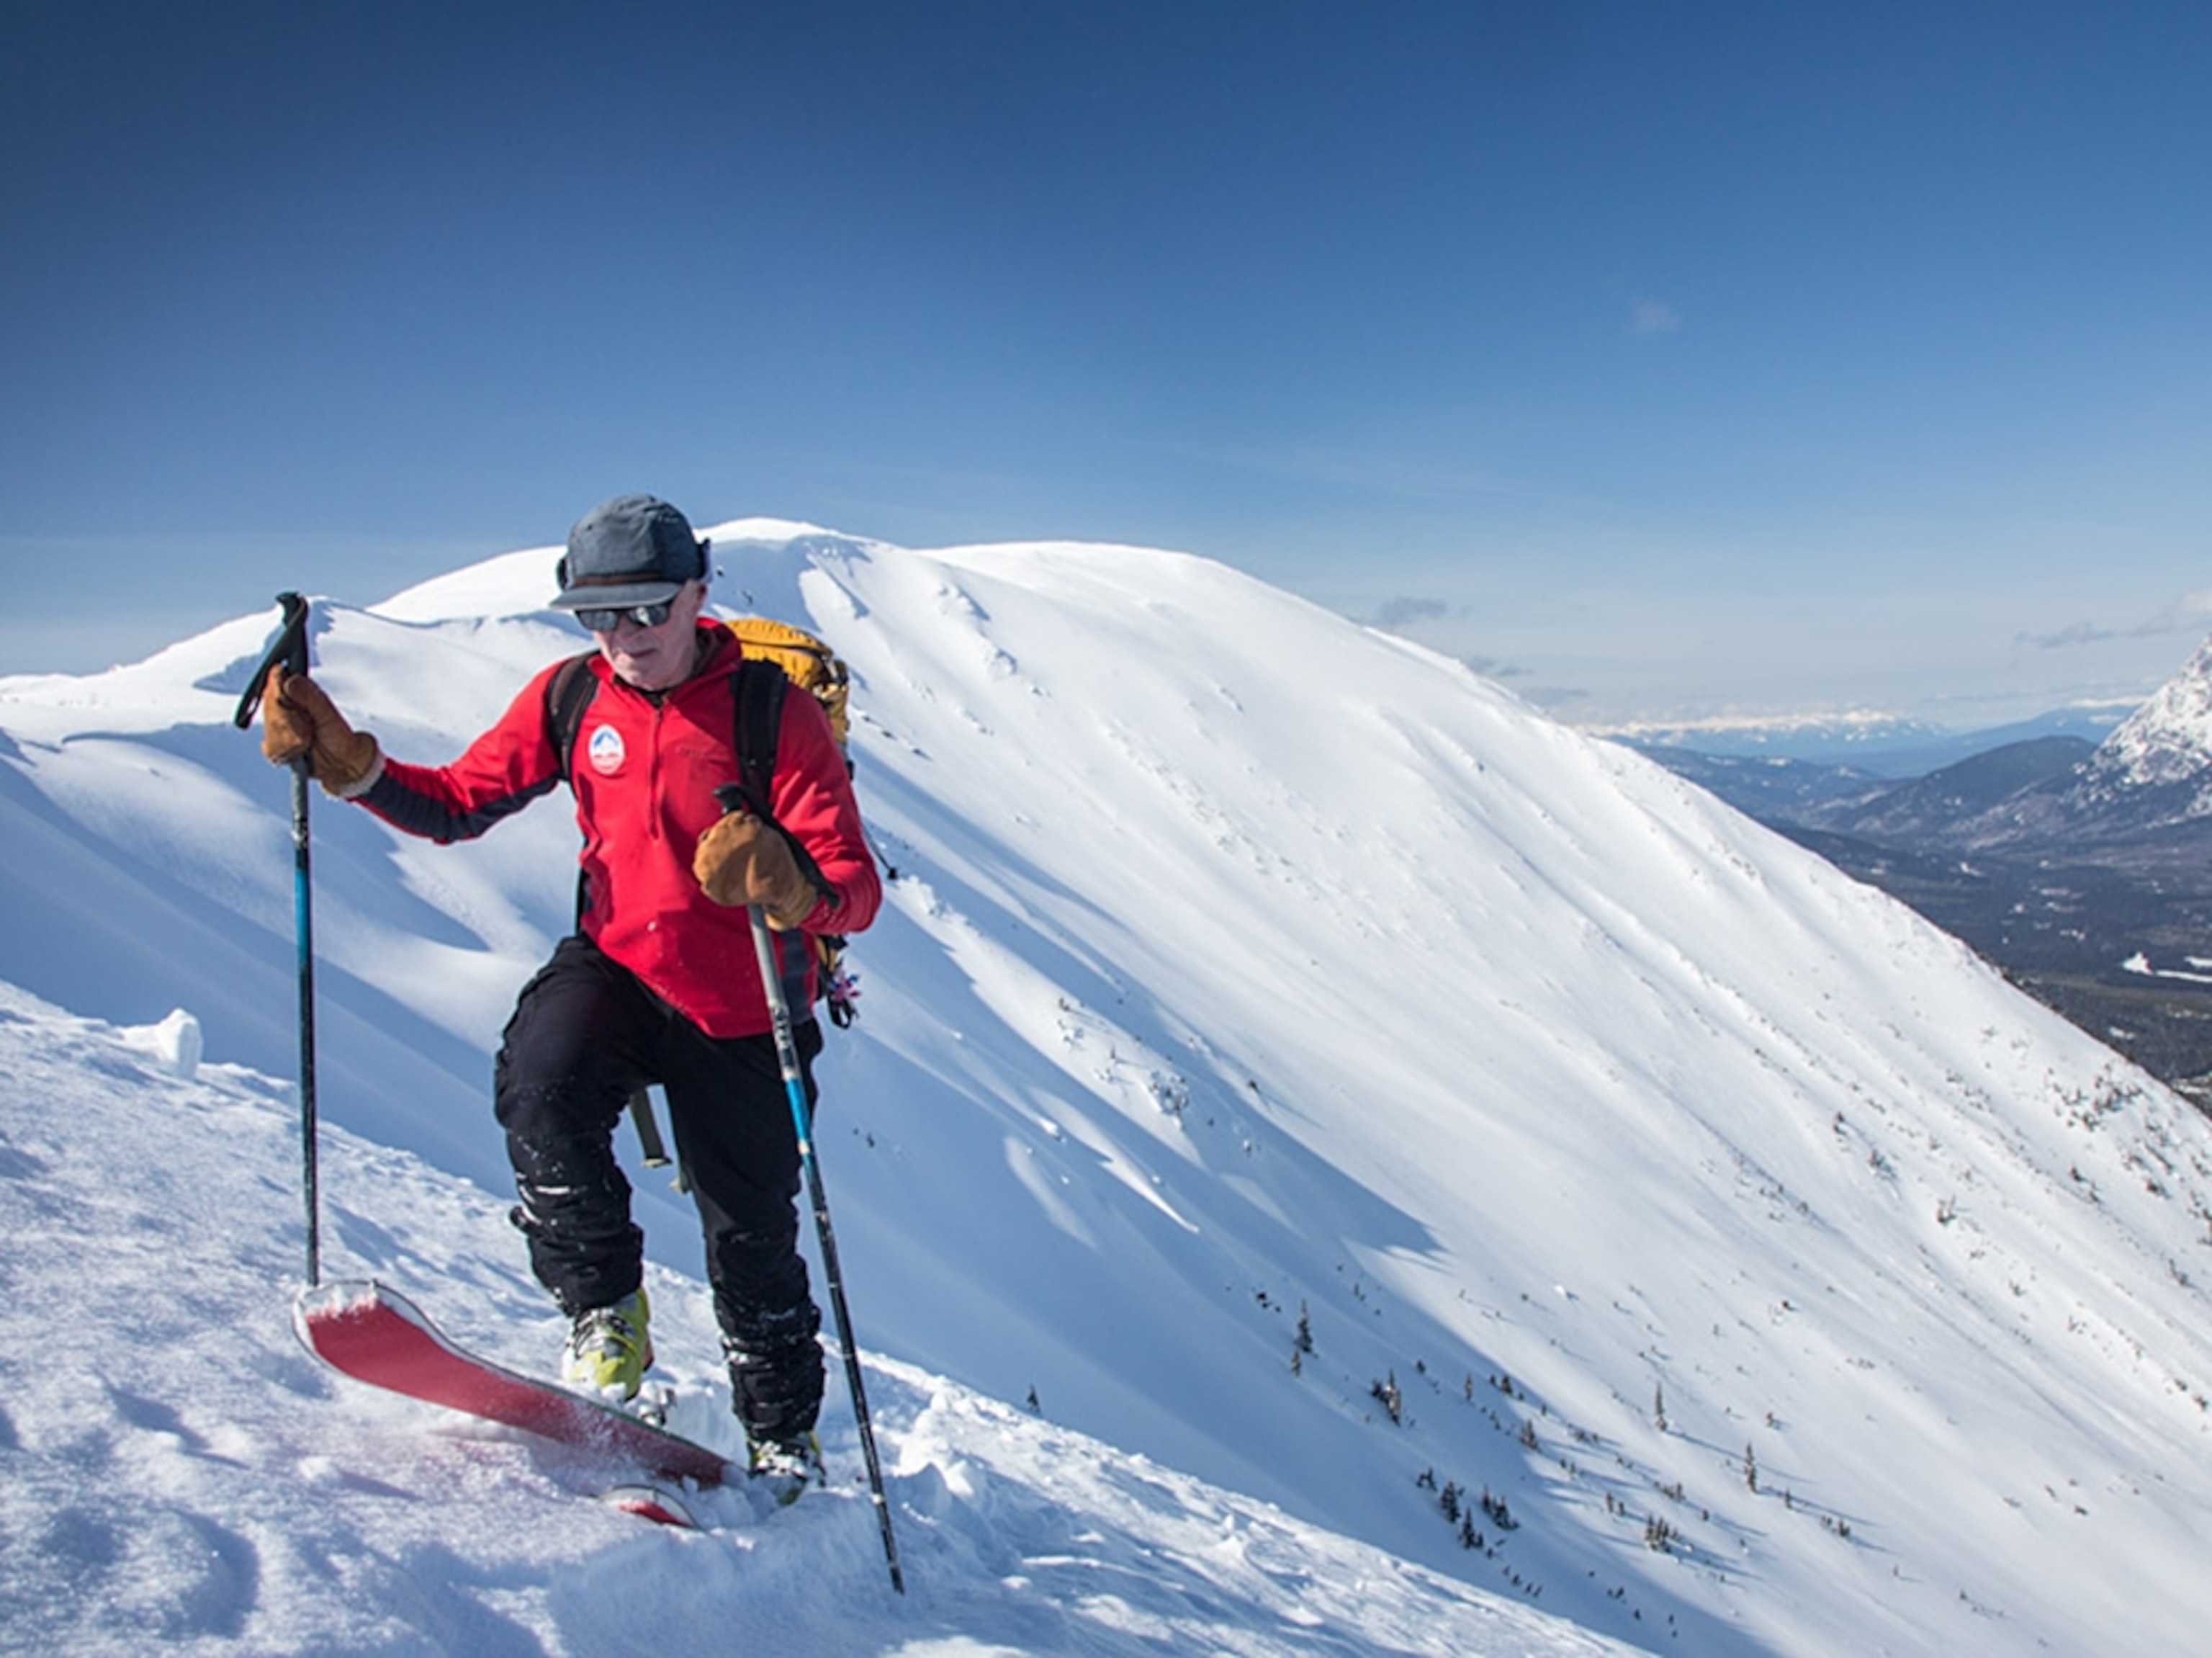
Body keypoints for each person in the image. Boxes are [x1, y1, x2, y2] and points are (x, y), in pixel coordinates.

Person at [259, 493, 881, 1482]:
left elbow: (855, 892)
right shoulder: (571, 699)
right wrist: (353, 769)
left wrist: (789, 883)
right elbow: (463, 802)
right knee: (540, 1083)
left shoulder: (772, 711)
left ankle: (782, 1432)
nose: (623, 636)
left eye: (645, 610)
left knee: (750, 1230)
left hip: (745, 1007)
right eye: (598, 614)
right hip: (623, 967)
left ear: (697, 592)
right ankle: (606, 1316)